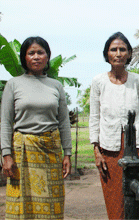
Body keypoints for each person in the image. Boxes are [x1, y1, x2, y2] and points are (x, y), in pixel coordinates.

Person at [1, 36, 72, 219]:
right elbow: (6, 122)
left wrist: (67, 153)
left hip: (51, 151)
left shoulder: (56, 86)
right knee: (21, 203)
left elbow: (63, 122)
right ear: (24, 58)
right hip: (22, 153)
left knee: (52, 204)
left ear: (47, 57)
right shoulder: (14, 84)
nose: (36, 57)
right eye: (31, 53)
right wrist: (6, 155)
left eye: (40, 52)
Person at [89, 32, 139, 219]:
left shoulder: (138, 81)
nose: (118, 53)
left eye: (122, 49)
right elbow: (94, 117)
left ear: (129, 53)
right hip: (109, 148)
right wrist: (96, 151)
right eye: (113, 49)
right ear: (107, 54)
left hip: (135, 147)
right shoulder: (98, 82)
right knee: (114, 199)